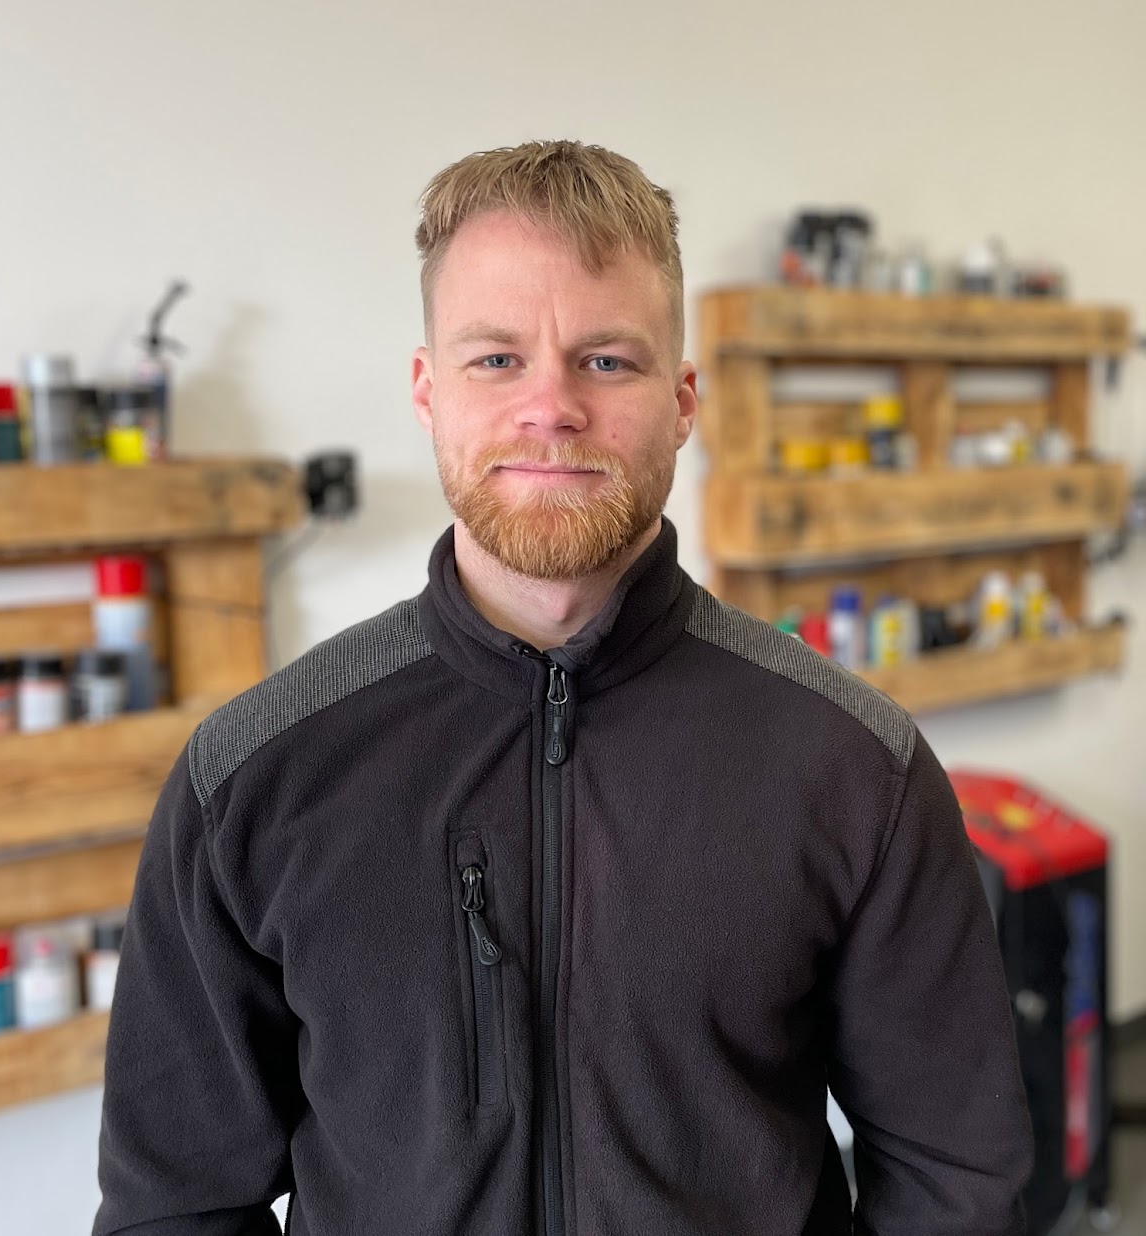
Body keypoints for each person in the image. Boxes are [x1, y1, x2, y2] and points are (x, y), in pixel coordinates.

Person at [94, 140, 1033, 1236]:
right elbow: (176, 1206)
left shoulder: (855, 769)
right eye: (497, 359)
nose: (551, 407)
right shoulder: (252, 778)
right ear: (427, 390)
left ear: (683, 399)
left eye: (608, 361)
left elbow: (957, 1188)